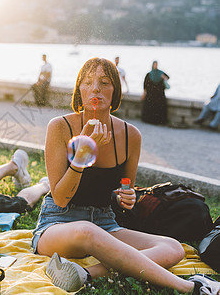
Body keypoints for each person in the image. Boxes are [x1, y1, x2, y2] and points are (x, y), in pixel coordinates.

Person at [31, 58, 219, 294]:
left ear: (115, 90)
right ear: (79, 90)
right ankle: (192, 287)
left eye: (104, 82)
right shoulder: (59, 127)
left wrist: (124, 197)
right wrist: (83, 152)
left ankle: (86, 274)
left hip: (105, 222)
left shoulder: (131, 135)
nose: (95, 88)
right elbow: (60, 198)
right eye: (87, 82)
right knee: (87, 231)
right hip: (59, 224)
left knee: (173, 248)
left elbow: (125, 189)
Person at [141, 61, 170, 125]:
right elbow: (145, 85)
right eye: (154, 65)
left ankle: (159, 121)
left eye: (156, 65)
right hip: (150, 95)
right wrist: (144, 93)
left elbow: (167, 77)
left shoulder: (160, 73)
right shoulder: (149, 74)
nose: (155, 66)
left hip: (159, 95)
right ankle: (149, 120)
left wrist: (163, 77)